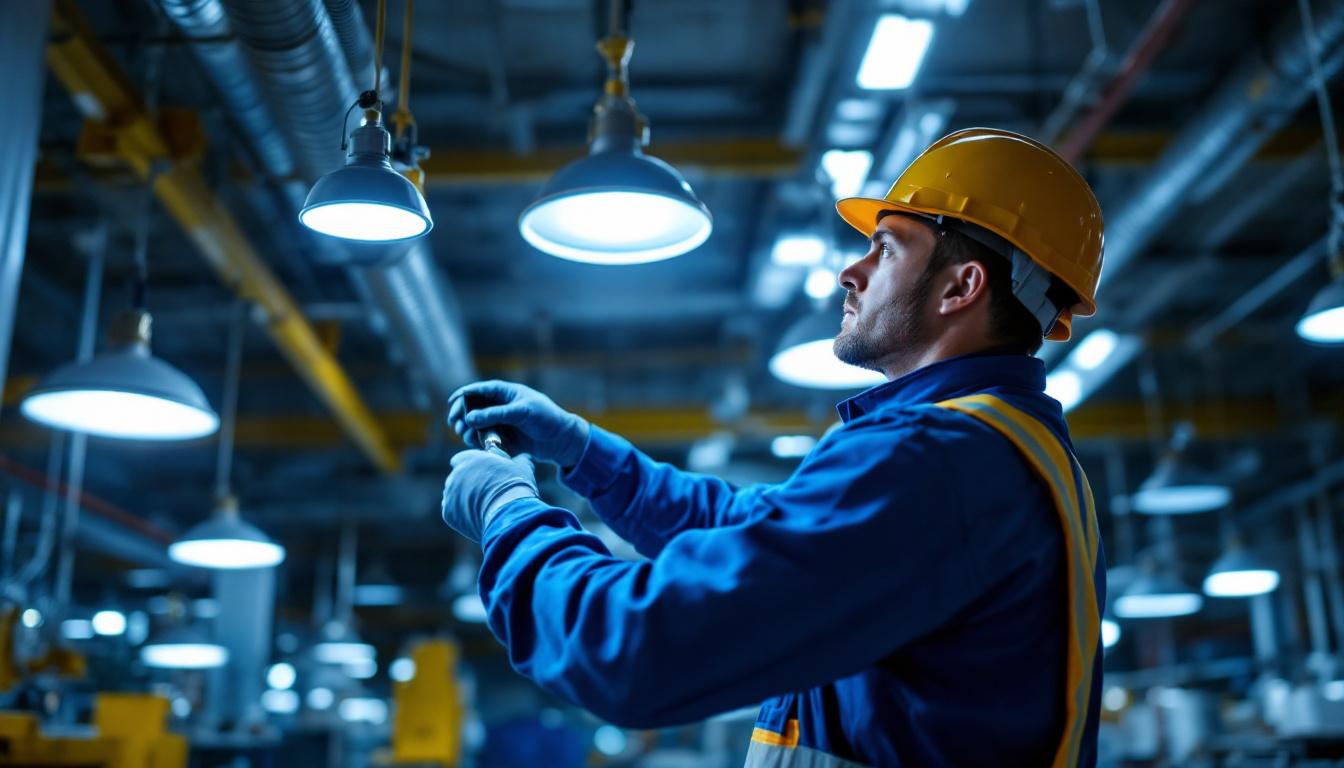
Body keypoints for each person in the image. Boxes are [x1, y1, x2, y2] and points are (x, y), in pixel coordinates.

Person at [440, 128, 1106, 767]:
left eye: (887, 249)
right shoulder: (1009, 453)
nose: (853, 270)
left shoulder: (936, 458)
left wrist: (508, 512)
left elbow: (636, 651)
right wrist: (584, 452)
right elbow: (757, 526)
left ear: (961, 287)